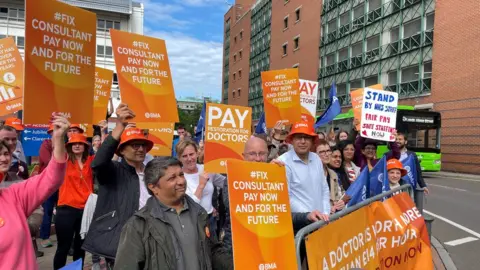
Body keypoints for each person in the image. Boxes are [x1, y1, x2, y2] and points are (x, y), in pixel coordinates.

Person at [221, 135, 326, 268]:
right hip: (240, 251)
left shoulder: (274, 176)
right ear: (243, 156)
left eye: (262, 154)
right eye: (253, 154)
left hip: (269, 251)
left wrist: (307, 216)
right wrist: (262, 180)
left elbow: (282, 213)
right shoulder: (232, 178)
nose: (258, 159)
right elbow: (245, 210)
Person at [114, 157, 231, 269]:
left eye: (181, 175)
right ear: (153, 187)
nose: (181, 181)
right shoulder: (138, 225)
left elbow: (213, 251)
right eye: (172, 178)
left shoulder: (199, 214)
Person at [82, 103, 154, 265]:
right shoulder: (113, 170)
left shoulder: (152, 173)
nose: (141, 149)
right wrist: (120, 125)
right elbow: (99, 162)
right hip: (121, 243)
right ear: (121, 150)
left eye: (143, 145)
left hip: (149, 239)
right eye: (135, 145)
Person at [0, 113, 69, 269]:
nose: (4, 159)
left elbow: (51, 178)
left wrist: (58, 139)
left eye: (5, 154)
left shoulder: (13, 194)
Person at [39, 124, 84, 248]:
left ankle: (65, 241)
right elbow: (50, 163)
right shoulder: (46, 145)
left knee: (62, 215)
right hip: (48, 184)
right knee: (47, 211)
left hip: (63, 185)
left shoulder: (69, 146)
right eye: (54, 131)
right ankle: (44, 237)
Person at [54, 134, 94, 269]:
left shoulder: (91, 160)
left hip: (85, 210)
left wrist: (103, 131)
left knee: (80, 247)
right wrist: (59, 133)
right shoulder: (64, 161)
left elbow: (109, 158)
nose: (77, 145)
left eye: (80, 143)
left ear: (85, 146)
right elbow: (57, 149)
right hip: (66, 208)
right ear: (69, 146)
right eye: (73, 144)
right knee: (63, 247)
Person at [0, 140, 45, 258]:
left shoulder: (18, 177)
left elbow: (36, 209)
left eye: (6, 154)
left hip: (22, 250)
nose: (3, 159)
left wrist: (23, 227)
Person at [277, 121, 331, 217]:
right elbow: (286, 197)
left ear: (312, 141)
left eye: (306, 137)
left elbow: (324, 189)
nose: (303, 141)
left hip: (321, 221)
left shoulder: (316, 158)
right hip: (301, 224)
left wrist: (326, 212)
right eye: (298, 137)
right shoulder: (283, 162)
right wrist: (308, 215)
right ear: (292, 140)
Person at [176, 140, 225, 241]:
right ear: (179, 158)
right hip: (192, 221)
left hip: (210, 219)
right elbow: (187, 205)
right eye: (184, 156)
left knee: (213, 252)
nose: (189, 159)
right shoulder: (178, 176)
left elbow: (225, 183)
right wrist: (201, 185)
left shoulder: (206, 169)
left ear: (197, 153)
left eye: (191, 154)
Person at [316, 141, 346, 213]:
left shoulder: (333, 174)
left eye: (328, 151)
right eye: (322, 152)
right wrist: (328, 208)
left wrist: (341, 202)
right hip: (319, 216)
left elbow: (338, 195)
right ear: (314, 155)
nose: (326, 154)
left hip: (333, 217)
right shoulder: (310, 174)